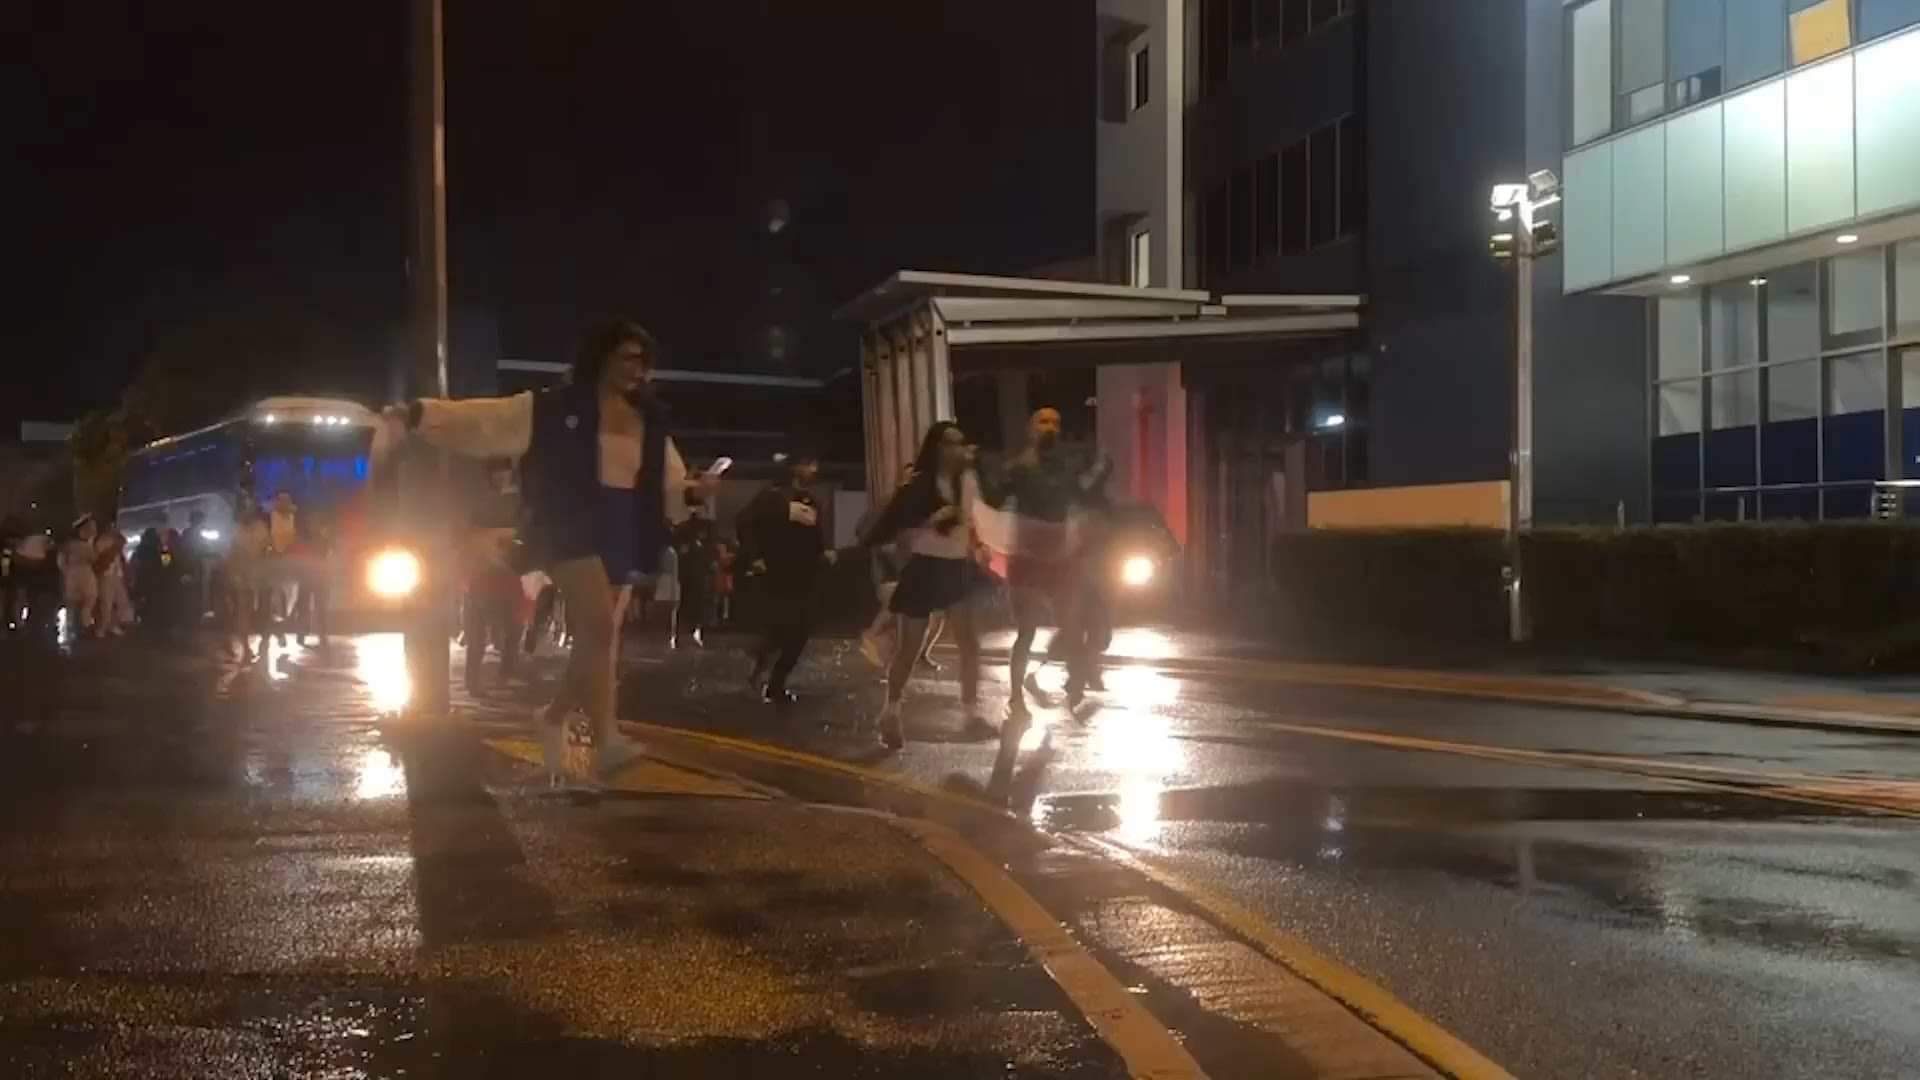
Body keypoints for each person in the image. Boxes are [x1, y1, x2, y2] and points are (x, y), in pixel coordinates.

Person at [381, 317, 719, 786]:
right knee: (599, 626)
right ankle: (602, 736)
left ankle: (563, 719)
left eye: (644, 361)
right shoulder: (554, 408)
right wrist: (421, 415)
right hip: (569, 525)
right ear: (600, 358)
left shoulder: (649, 420)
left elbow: (669, 483)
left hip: (623, 528)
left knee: (600, 638)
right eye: (627, 357)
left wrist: (695, 492)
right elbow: (486, 420)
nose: (637, 369)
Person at [857, 421, 988, 749]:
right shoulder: (919, 483)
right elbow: (892, 525)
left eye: (960, 443)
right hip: (925, 566)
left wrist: (977, 543)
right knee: (909, 649)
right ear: (937, 448)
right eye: (949, 443)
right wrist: (931, 517)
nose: (957, 450)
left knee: (969, 643)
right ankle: (891, 710)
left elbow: (975, 518)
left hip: (956, 566)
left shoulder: (968, 481)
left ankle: (971, 711)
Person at [980, 407, 1102, 723]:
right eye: (1043, 422)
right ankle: (1016, 697)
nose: (1051, 427)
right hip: (1028, 560)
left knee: (1073, 624)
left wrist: (1098, 474)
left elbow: (1082, 497)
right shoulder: (1019, 467)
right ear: (1030, 430)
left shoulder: (1065, 468)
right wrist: (975, 473)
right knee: (1027, 631)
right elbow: (992, 498)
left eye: (1056, 423)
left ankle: (1070, 682)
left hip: (1060, 559)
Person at [737, 451, 835, 704]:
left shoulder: (811, 500)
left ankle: (773, 677)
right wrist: (755, 556)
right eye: (808, 464)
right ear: (795, 467)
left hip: (806, 573)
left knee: (801, 629)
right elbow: (745, 522)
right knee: (784, 624)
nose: (813, 469)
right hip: (777, 572)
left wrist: (825, 552)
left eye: (814, 465)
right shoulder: (772, 495)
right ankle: (764, 660)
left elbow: (817, 535)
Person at [857, 463, 942, 672]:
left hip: (910, 569)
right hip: (889, 572)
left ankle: (920, 653)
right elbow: (864, 530)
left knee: (936, 612)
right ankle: (873, 636)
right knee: (900, 607)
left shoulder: (921, 507)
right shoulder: (890, 503)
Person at [462, 458, 525, 692]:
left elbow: (524, 531)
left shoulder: (518, 501)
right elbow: (467, 531)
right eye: (495, 472)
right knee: (478, 627)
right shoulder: (481, 501)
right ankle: (474, 681)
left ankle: (504, 673)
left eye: (503, 472)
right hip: (482, 569)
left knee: (513, 624)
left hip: (508, 569)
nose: (499, 476)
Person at [59, 516, 102, 638]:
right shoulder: (74, 545)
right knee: (81, 599)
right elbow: (93, 558)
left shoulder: (74, 544)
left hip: (78, 572)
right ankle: (79, 625)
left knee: (85, 598)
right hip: (77, 572)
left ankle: (79, 624)